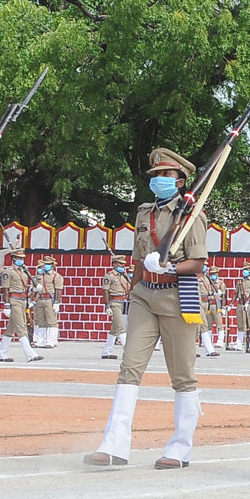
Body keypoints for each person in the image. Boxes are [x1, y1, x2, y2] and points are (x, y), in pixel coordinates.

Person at [84, 147, 208, 470]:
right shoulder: (144, 213)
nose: (158, 180)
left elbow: (198, 263)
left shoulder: (192, 215)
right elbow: (138, 259)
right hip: (144, 296)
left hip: (177, 297)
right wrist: (130, 295)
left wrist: (171, 268)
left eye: (166, 175)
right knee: (129, 367)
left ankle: (181, 448)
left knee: (182, 375)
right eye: (156, 175)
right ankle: (114, 445)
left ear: (181, 181)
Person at [0, 248, 42, 363]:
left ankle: (2, 353)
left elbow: (25, 287)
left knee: (10, 329)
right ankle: (30, 354)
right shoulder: (8, 272)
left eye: (22, 258)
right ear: (13, 259)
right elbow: (5, 290)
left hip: (23, 300)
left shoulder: (24, 271)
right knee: (22, 327)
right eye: (19, 258)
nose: (22, 260)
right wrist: (6, 305)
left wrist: (34, 289)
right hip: (14, 301)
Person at [100, 255, 132, 359]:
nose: (122, 265)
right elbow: (105, 291)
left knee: (114, 329)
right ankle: (128, 352)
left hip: (123, 302)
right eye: (120, 264)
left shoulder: (123, 275)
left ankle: (106, 351)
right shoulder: (109, 276)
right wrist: (107, 306)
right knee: (121, 327)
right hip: (114, 303)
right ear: (114, 264)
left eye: (123, 264)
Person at [31, 255, 64, 349]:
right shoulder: (39, 276)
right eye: (45, 264)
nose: (46, 266)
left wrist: (57, 302)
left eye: (48, 264)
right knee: (40, 320)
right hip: (39, 299)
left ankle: (51, 341)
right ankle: (40, 341)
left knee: (51, 321)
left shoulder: (56, 276)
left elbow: (58, 290)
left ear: (52, 265)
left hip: (49, 299)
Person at [197, 265, 222, 358]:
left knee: (202, 326)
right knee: (203, 325)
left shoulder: (206, 278)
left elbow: (207, 291)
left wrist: (214, 294)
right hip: (198, 303)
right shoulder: (196, 277)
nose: (204, 268)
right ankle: (209, 349)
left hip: (205, 303)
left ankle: (208, 349)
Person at [235, 263, 250, 353]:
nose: (244, 271)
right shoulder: (240, 281)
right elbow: (235, 293)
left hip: (249, 304)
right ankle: (239, 344)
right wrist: (230, 304)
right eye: (244, 270)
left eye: (246, 270)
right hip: (241, 304)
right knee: (241, 325)